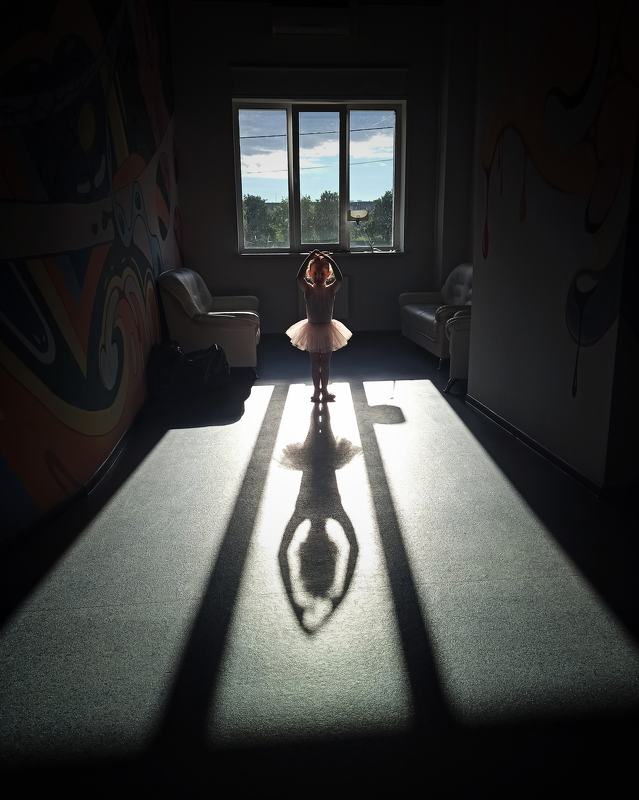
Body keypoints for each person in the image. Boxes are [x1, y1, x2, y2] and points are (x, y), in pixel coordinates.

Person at [286, 249, 352, 402]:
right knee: (315, 365)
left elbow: (340, 279)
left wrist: (329, 259)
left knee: (326, 365)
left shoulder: (331, 290)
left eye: (322, 274)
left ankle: (325, 390)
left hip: (328, 330)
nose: (318, 277)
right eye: (315, 274)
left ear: (328, 274)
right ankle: (316, 390)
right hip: (312, 331)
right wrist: (309, 257)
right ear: (310, 274)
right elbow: (299, 277)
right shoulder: (308, 290)